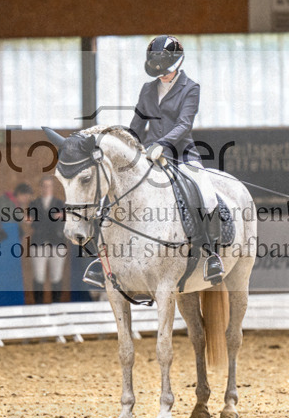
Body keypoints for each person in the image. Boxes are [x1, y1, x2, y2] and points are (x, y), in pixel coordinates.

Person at [83, 35, 225, 288]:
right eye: (157, 70)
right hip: (148, 154)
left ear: (177, 63)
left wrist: (164, 144)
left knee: (206, 192)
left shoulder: (191, 88)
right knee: (111, 189)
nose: (162, 75)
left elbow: (184, 124)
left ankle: (211, 254)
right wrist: (126, 145)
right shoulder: (148, 89)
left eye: (166, 70)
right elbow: (137, 126)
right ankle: (100, 257)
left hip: (182, 153)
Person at [28, 176, 68, 304]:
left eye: (49, 186)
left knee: (56, 275)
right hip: (39, 243)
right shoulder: (34, 204)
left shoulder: (60, 203)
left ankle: (56, 305)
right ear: (40, 187)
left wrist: (63, 217)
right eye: (44, 186)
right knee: (38, 275)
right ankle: (38, 305)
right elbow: (31, 221)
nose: (46, 188)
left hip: (57, 243)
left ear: (52, 187)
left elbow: (68, 220)